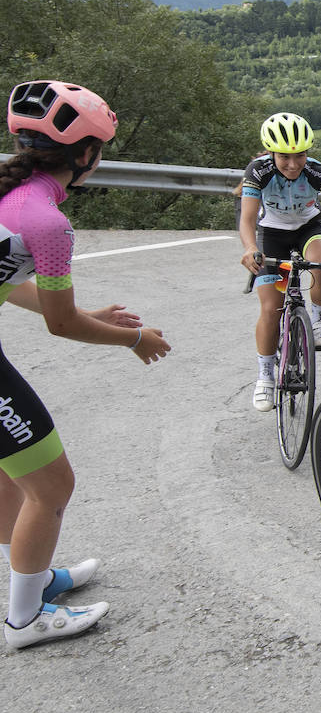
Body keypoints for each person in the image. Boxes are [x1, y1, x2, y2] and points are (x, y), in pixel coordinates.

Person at [1, 80, 172, 648]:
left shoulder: (13, 197)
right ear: (87, 155)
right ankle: (25, 619)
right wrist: (135, 339)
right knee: (52, 487)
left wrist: (79, 308)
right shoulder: (48, 223)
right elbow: (61, 325)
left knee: (12, 478)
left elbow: (10, 282)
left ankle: (35, 577)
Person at [237, 112, 321, 412]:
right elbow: (248, 219)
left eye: (300, 156)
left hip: (309, 228)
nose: (293, 165)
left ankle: (318, 321)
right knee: (271, 308)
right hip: (272, 234)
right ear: (271, 152)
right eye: (284, 157)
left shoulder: (319, 173)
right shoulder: (258, 171)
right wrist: (251, 248)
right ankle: (265, 376)